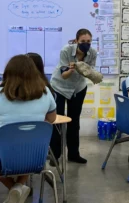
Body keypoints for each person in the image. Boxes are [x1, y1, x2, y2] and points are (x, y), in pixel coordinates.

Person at [0, 55, 56, 203]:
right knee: (28, 143)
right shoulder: (45, 92)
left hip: (4, 159)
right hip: (36, 158)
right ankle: (18, 187)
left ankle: (15, 189)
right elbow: (51, 120)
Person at [50, 28, 97, 165]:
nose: (86, 44)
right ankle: (55, 155)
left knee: (74, 121)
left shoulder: (92, 53)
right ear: (76, 41)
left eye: (88, 41)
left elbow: (90, 72)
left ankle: (73, 154)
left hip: (78, 88)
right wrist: (72, 69)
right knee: (57, 121)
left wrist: (88, 72)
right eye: (83, 41)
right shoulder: (66, 51)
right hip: (59, 87)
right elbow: (64, 75)